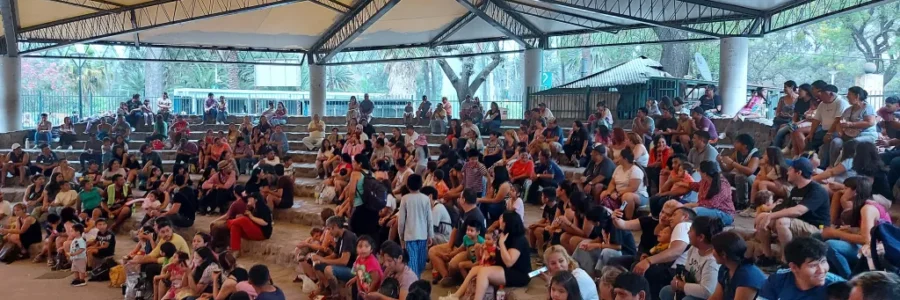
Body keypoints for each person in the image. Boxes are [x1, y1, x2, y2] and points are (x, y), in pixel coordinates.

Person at [754, 157, 830, 262]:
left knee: (782, 222)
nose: (787, 172)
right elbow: (785, 208)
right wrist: (765, 215)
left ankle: (786, 261)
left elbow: (798, 211)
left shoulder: (817, 190)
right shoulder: (795, 190)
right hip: (798, 224)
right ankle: (767, 256)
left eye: (790, 169)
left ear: (798, 172)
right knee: (762, 217)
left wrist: (771, 216)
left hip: (817, 229)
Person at [442, 211, 532, 300]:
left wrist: (501, 243)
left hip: (519, 274)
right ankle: (455, 296)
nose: (499, 220)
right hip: (505, 268)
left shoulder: (519, 240)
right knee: (475, 269)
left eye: (502, 219)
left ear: (507, 223)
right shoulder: (505, 235)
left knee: (484, 272)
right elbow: (497, 252)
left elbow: (509, 262)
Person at [823, 176, 892, 279]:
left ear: (855, 192)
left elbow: (866, 239)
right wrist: (850, 230)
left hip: (878, 250)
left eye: (846, 188)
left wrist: (835, 233)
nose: (843, 191)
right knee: (819, 236)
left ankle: (849, 280)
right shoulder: (863, 205)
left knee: (831, 245)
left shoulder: (867, 208)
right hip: (871, 244)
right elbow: (868, 230)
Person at [758, 237, 845, 300]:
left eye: (823, 262)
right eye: (813, 265)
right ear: (794, 267)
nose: (821, 270)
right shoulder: (777, 280)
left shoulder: (838, 287)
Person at [659, 216, 724, 300]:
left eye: (690, 230)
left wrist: (681, 285)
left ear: (701, 237)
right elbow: (687, 271)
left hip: (707, 297)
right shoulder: (694, 248)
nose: (688, 233)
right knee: (666, 291)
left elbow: (707, 291)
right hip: (692, 286)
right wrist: (678, 278)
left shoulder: (712, 261)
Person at [571, 206, 637, 278]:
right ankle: (573, 266)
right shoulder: (601, 225)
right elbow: (600, 239)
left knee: (606, 252)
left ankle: (598, 276)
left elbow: (618, 246)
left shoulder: (614, 224)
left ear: (597, 222)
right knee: (583, 243)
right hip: (609, 247)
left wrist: (596, 245)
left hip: (625, 252)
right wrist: (589, 244)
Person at [707, 231, 766, 300]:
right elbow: (716, 297)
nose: (712, 252)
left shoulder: (747, 276)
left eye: (714, 249)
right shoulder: (725, 268)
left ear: (723, 254)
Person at [398, 174, 434, 277]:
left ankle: (413, 283)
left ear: (408, 185)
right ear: (421, 185)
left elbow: (401, 221)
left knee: (412, 264)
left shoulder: (405, 199)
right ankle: (417, 281)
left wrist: (401, 236)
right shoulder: (425, 199)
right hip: (422, 235)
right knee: (420, 263)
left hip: (410, 236)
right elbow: (429, 219)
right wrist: (430, 234)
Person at [600, 148, 648, 220]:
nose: (617, 158)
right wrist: (609, 192)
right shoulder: (618, 168)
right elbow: (612, 183)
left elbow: (633, 188)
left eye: (619, 157)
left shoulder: (635, 170)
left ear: (625, 159)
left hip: (638, 195)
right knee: (604, 193)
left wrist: (619, 194)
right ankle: (609, 216)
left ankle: (628, 219)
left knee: (627, 196)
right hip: (619, 193)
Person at [683, 161, 736, 225]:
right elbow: (696, 186)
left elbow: (712, 204)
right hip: (708, 209)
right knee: (679, 207)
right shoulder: (705, 180)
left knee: (693, 212)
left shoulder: (722, 184)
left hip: (725, 214)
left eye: (699, 171)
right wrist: (681, 183)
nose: (698, 172)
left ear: (704, 173)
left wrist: (691, 204)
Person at [719, 134, 760, 210]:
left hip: (754, 179)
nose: (734, 144)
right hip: (740, 178)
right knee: (722, 176)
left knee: (740, 176)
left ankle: (742, 203)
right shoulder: (737, 153)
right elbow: (727, 169)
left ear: (745, 146)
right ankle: (722, 199)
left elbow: (750, 171)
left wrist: (732, 163)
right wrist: (720, 162)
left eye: (737, 142)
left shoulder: (754, 154)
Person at [227, 193, 272, 257]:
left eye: (250, 198)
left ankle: (228, 223)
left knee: (243, 220)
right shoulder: (251, 208)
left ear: (256, 200)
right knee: (235, 226)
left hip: (262, 233)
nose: (248, 199)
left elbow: (265, 223)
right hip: (254, 231)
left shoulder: (263, 207)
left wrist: (251, 217)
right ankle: (235, 250)